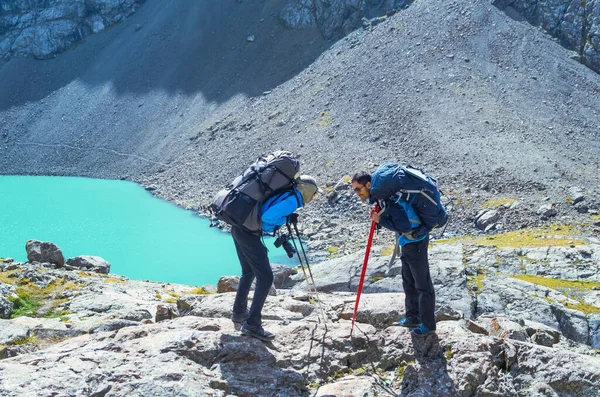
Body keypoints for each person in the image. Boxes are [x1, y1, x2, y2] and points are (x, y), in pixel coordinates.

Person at [231, 175, 321, 341]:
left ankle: (238, 313)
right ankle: (252, 324)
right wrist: (286, 218)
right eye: (314, 193)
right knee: (265, 278)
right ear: (307, 190)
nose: (314, 197)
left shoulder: (287, 193)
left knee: (248, 272)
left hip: (238, 228)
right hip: (248, 235)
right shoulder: (292, 199)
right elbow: (267, 219)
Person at [351, 171, 436, 337]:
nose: (357, 194)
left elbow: (404, 226)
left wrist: (380, 220)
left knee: (422, 284)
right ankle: (412, 316)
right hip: (408, 242)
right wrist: (380, 217)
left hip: (415, 241)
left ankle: (428, 325)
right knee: (408, 281)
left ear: (368, 185)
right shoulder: (384, 198)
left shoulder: (389, 199)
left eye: (358, 189)